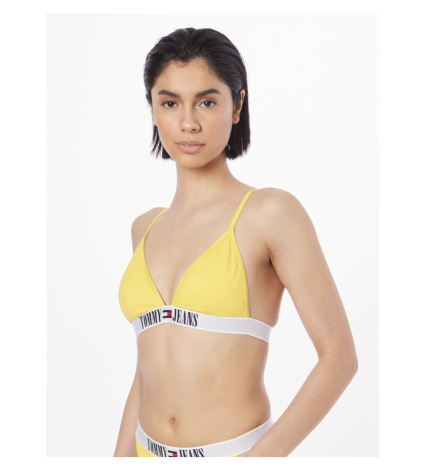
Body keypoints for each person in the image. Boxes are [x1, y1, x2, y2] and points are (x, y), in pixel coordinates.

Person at [114, 27, 358, 458]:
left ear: (237, 105)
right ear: (151, 107)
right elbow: (150, 366)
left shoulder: (270, 214)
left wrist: (257, 460)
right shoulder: (144, 228)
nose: (188, 122)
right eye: (170, 102)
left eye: (207, 102)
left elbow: (339, 357)